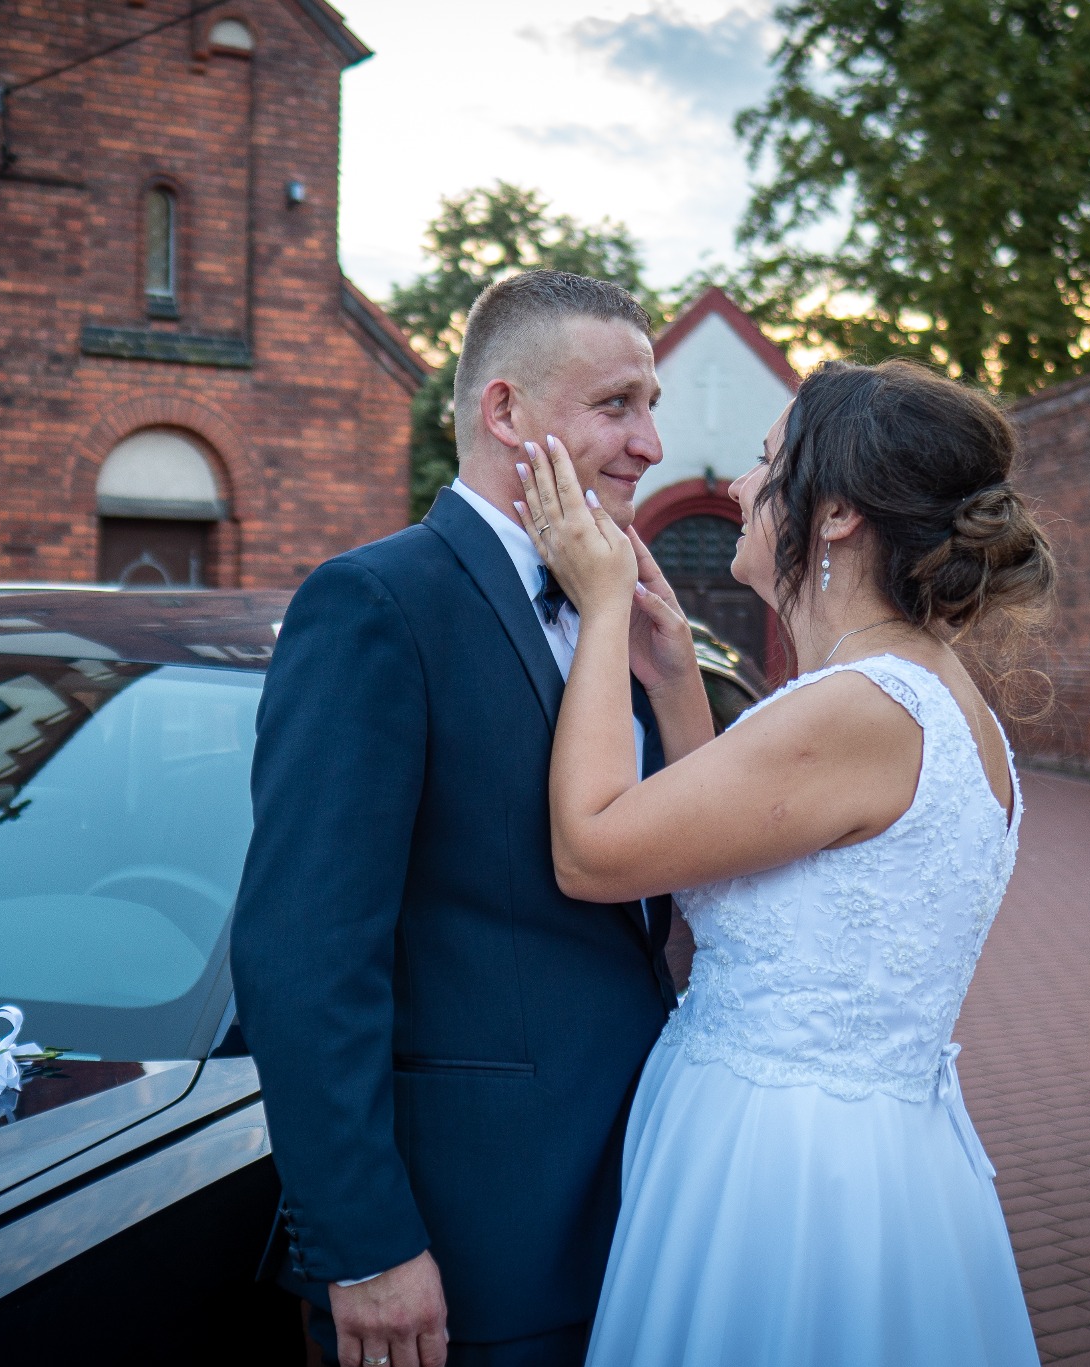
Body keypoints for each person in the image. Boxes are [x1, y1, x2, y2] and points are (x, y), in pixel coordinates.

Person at [517, 358, 1054, 1366]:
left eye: (766, 463)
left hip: (786, 1173)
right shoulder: (906, 689)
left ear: (838, 513)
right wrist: (675, 680)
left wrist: (595, 610)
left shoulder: (860, 706)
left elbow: (592, 850)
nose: (735, 487)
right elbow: (739, 854)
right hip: (856, 1147)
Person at [230, 270, 691, 1367]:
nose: (649, 444)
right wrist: (366, 1243)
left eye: (652, 405)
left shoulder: (617, 605)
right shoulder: (376, 603)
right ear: (503, 412)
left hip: (632, 1202)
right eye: (617, 404)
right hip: (463, 1243)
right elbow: (301, 948)